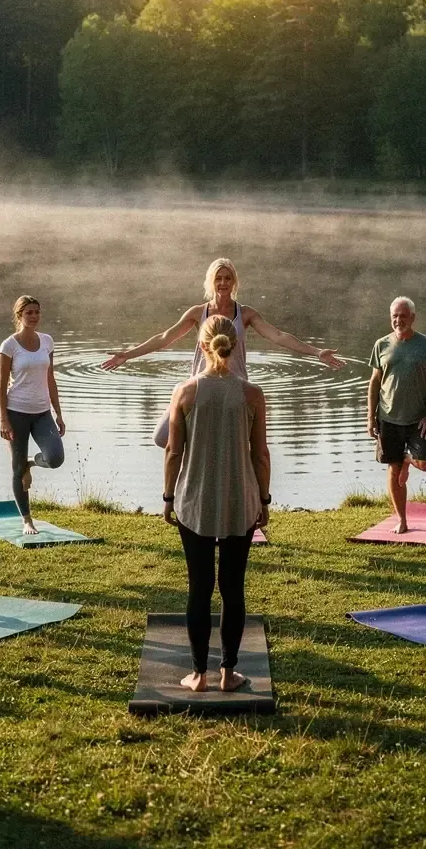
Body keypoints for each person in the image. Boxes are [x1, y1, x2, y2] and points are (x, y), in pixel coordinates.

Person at [101, 257, 344, 445]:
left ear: (234, 282)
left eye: (228, 278)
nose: (223, 283)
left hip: (234, 387)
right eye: (218, 278)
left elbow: (278, 336)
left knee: (235, 447)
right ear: (211, 282)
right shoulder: (198, 312)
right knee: (162, 437)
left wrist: (316, 352)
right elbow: (165, 338)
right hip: (200, 385)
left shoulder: (245, 313)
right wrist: (128, 354)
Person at [164, 315, 271, 693]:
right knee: (232, 587)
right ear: (236, 345)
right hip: (240, 502)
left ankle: (199, 675)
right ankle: (228, 673)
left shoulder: (185, 392)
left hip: (194, 501)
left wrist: (168, 497)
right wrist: (264, 500)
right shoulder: (252, 394)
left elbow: (174, 452)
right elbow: (260, 456)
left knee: (199, 587)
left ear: (202, 346)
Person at [367, 297, 426, 533]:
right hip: (388, 418)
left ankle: (408, 459)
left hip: (418, 418)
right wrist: (371, 417)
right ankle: (402, 519)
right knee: (393, 468)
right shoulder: (381, 345)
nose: (398, 320)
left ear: (412, 317)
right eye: (394, 316)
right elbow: (374, 383)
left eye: (403, 316)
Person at [0, 295, 65, 535]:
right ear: (19, 316)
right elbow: (2, 384)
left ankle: (31, 463)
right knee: (16, 469)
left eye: (37, 312)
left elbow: (51, 379)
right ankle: (27, 520)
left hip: (42, 413)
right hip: (16, 412)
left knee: (55, 457)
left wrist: (59, 413)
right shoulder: (9, 346)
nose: (34, 316)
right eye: (29, 313)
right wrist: (3, 419)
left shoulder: (47, 342)